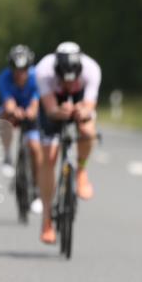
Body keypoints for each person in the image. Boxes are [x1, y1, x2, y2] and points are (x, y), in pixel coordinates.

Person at [34, 41, 101, 244]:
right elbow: (49, 108)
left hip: (80, 100)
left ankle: (80, 171)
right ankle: (47, 218)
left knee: (87, 131)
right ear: (57, 72)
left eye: (73, 80)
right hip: (53, 103)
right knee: (49, 155)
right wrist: (59, 112)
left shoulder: (92, 69)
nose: (69, 83)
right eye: (65, 79)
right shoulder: (43, 70)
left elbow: (89, 106)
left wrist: (83, 112)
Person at [0, 45, 44, 213]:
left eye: (23, 69)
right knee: (4, 119)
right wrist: (13, 110)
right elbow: (8, 102)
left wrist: (30, 111)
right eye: (16, 69)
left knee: (35, 148)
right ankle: (8, 155)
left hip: (30, 111)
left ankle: (36, 191)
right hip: (12, 110)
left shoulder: (37, 77)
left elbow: (35, 103)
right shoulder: (3, 78)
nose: (20, 73)